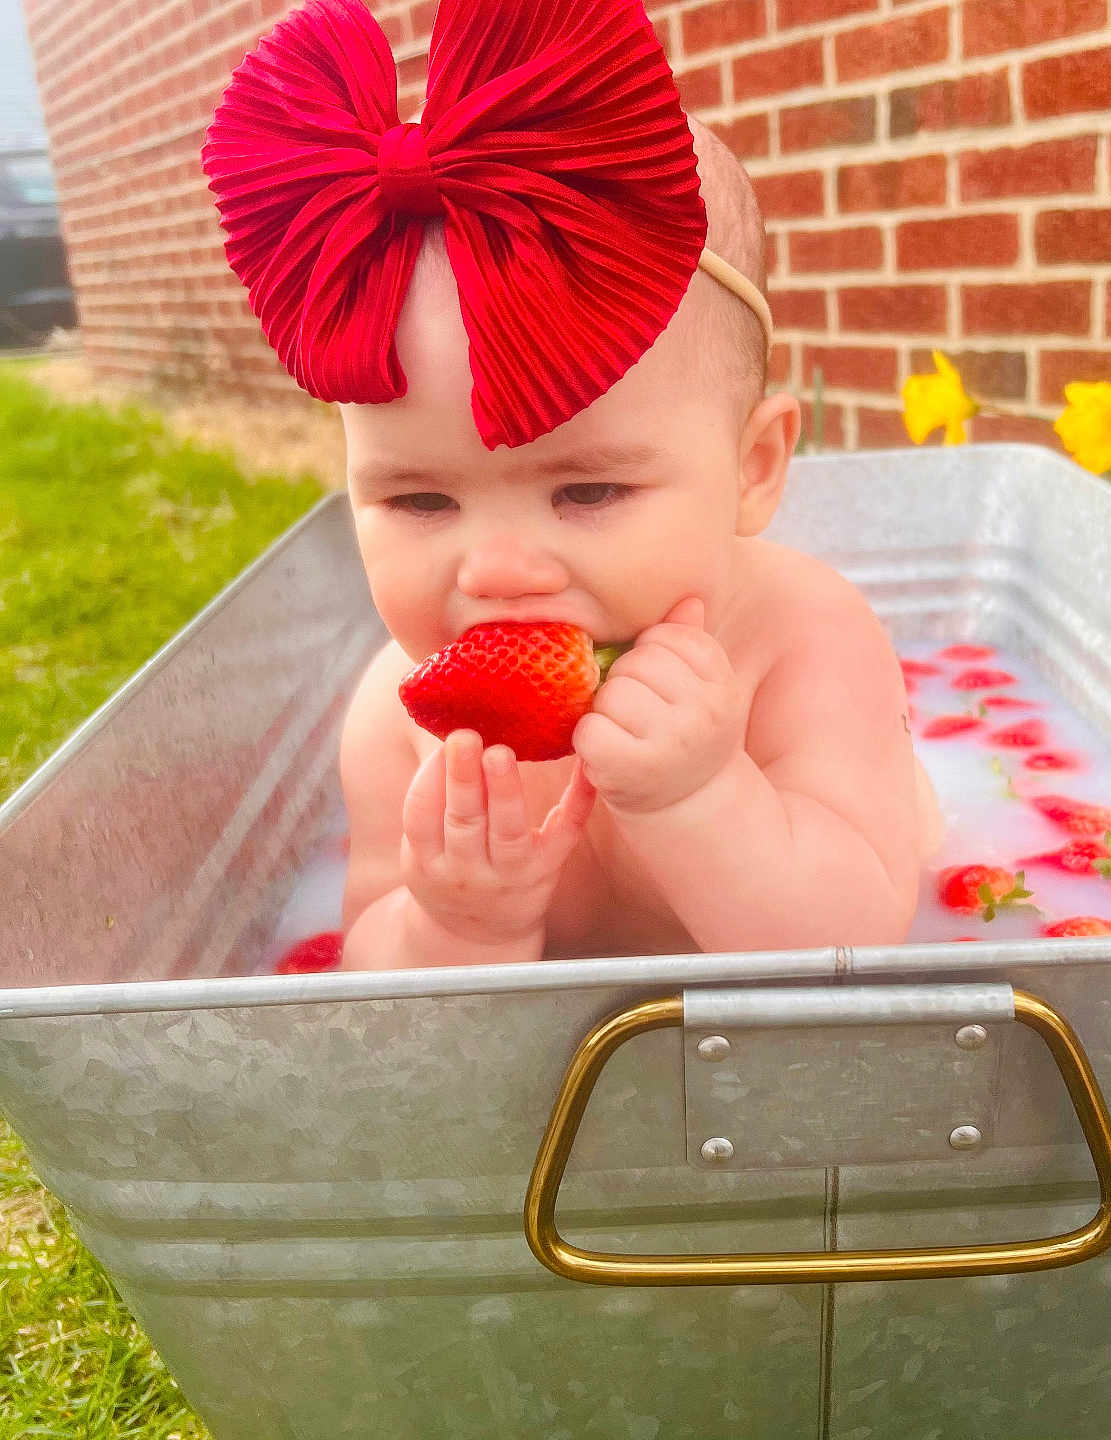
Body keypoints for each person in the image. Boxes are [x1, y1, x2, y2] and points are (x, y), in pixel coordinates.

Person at [203, 0, 943, 970]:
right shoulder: (398, 715)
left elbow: (863, 939)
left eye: (586, 492)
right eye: (422, 500)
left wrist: (703, 798)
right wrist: (453, 926)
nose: (499, 570)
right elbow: (370, 970)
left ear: (753, 469)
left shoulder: (804, 635)